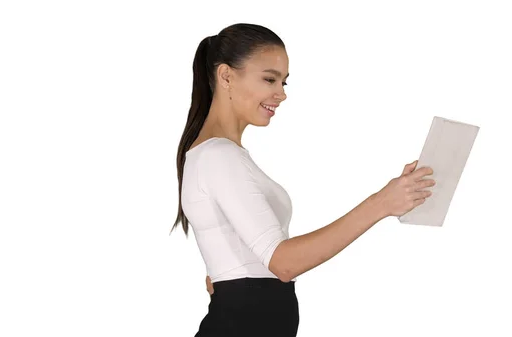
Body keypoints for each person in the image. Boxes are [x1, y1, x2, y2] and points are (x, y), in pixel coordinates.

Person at [171, 23, 435, 337]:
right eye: (269, 79)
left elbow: (239, 253)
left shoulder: (217, 156)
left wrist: (226, 277)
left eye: (283, 82)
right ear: (226, 76)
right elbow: (283, 263)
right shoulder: (219, 156)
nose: (280, 94)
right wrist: (381, 204)